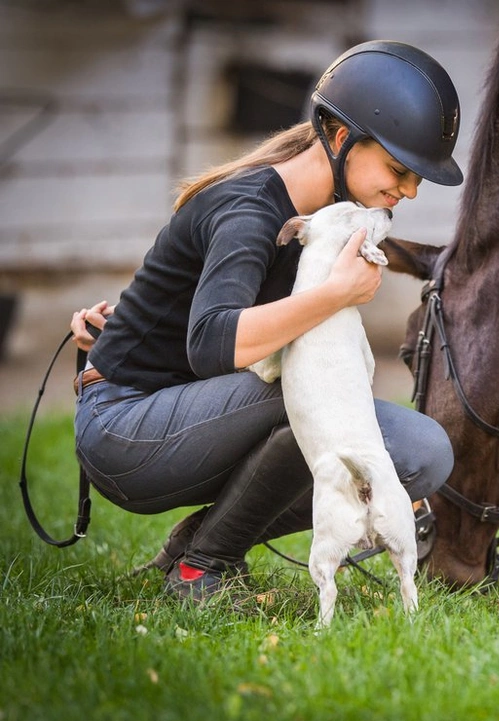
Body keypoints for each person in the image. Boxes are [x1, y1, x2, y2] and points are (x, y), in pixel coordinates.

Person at [70, 41, 461, 602]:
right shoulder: (249, 209)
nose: (409, 191)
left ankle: (205, 537)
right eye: (399, 169)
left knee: (422, 452)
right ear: (340, 136)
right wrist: (333, 295)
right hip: (126, 431)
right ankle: (203, 568)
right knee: (312, 387)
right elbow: (211, 344)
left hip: (196, 415)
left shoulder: (322, 219)